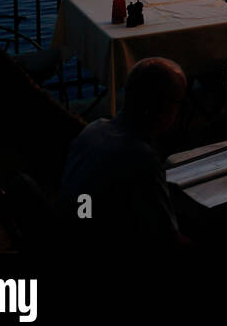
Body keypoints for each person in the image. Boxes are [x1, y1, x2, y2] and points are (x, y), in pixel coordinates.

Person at [57, 58, 190, 249]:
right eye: (179, 103)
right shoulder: (141, 158)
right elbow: (168, 241)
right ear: (164, 107)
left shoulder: (93, 129)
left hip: (69, 234)